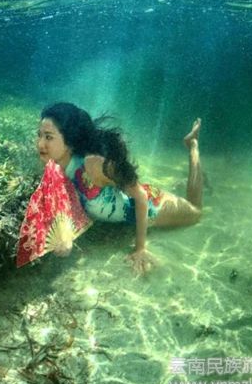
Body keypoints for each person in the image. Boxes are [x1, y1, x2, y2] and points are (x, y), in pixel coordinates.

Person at [36, 102, 203, 275]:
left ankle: (192, 145)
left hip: (153, 206)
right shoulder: (53, 165)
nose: (40, 144)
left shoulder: (94, 165)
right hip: (128, 204)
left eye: (48, 137)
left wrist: (140, 248)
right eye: (39, 135)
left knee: (196, 211)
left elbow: (140, 196)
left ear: (69, 141)